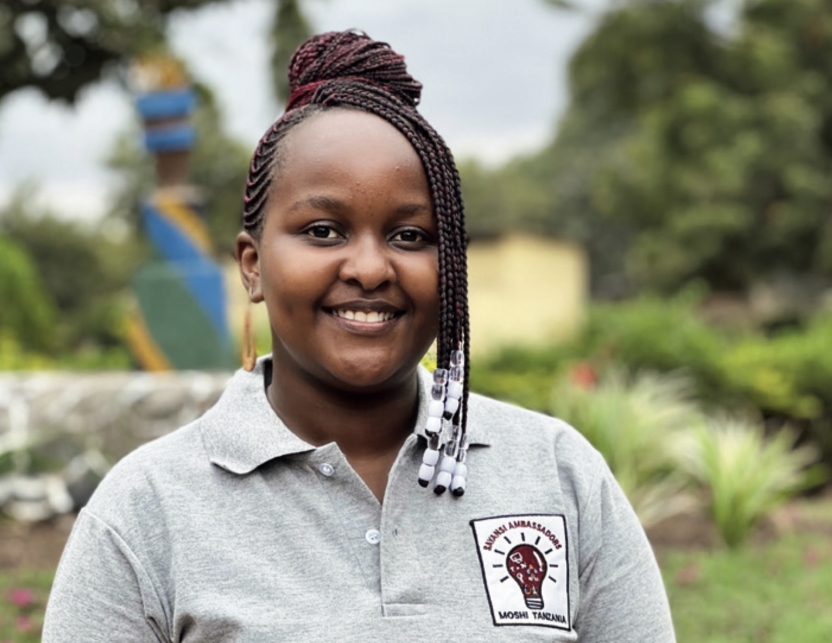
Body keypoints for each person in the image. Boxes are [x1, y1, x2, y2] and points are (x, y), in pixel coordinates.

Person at [43, 31, 675, 642]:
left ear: (451, 266)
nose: (371, 268)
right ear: (253, 264)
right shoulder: (146, 509)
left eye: (410, 237)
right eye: (323, 231)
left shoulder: (557, 474)